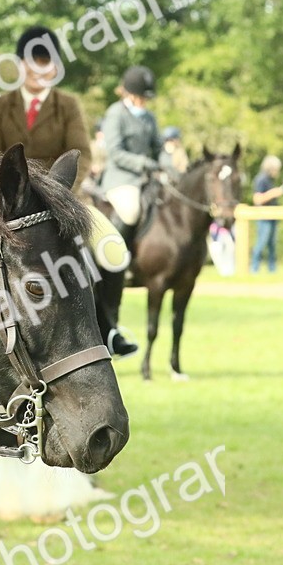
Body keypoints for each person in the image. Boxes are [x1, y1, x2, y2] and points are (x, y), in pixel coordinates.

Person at [97, 65, 164, 358]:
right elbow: (116, 152)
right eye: (140, 96)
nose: (143, 102)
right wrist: (144, 165)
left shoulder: (149, 117)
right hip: (121, 180)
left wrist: (164, 165)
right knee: (132, 210)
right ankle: (116, 261)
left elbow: (158, 147)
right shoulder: (115, 114)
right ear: (128, 93)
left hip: (149, 178)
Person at [0, 26, 92, 188]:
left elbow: (82, 154)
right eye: (31, 61)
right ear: (19, 64)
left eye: (44, 62)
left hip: (58, 191)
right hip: (9, 194)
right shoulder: (0, 106)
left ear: (55, 68)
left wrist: (60, 190)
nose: (37, 69)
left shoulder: (68, 105)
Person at [249, 155, 283, 273]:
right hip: (263, 217)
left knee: (272, 245)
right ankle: (254, 267)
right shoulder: (261, 179)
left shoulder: (270, 180)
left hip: (272, 216)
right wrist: (274, 193)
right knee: (261, 242)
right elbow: (257, 199)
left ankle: (272, 269)